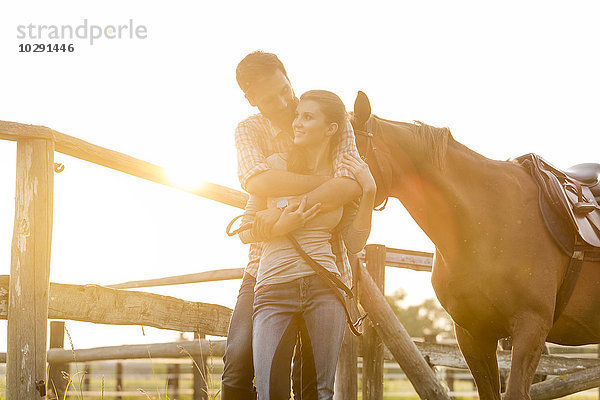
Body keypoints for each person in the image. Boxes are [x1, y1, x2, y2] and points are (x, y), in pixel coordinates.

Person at [222, 51, 366, 399]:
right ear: (251, 99)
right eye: (271, 99)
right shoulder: (250, 130)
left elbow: (351, 181)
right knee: (238, 367)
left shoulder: (329, 116)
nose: (285, 103)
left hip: (323, 267)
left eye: (286, 90)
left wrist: (286, 203)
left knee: (312, 383)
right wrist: (321, 185)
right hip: (265, 266)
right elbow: (256, 181)